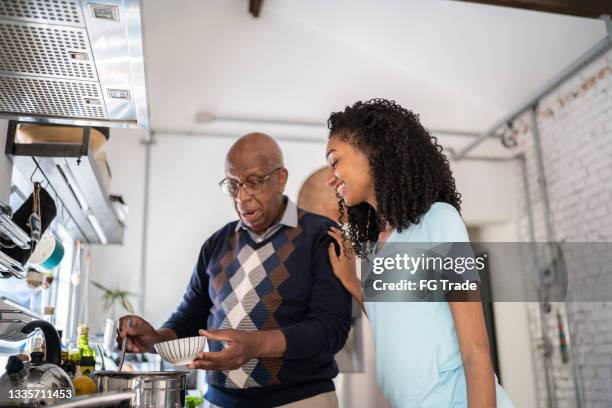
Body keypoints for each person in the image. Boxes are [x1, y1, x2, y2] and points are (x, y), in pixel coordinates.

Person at [118, 133, 351, 408]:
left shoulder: (321, 235)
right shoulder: (216, 244)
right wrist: (156, 339)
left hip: (298, 401)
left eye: (253, 183)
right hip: (219, 402)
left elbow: (330, 329)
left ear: (281, 178)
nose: (241, 197)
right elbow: (190, 317)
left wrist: (255, 346)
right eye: (232, 185)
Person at [324, 99, 514, 407]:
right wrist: (350, 281)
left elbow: (475, 350)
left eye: (335, 161)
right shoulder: (376, 246)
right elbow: (396, 322)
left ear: (374, 152)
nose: (329, 177)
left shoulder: (440, 221)